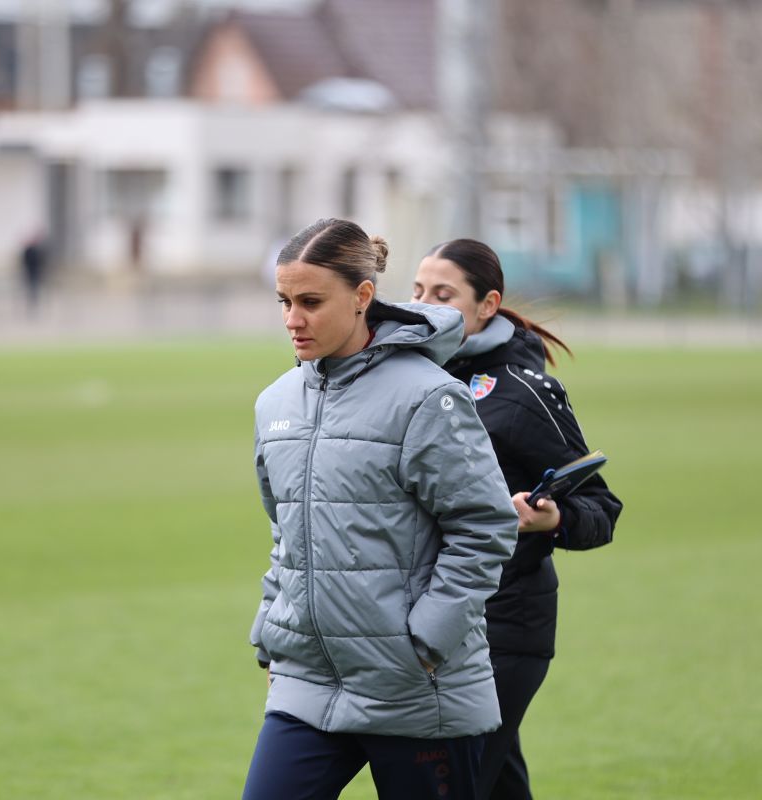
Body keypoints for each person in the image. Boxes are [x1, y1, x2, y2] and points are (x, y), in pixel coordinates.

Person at [244, 219, 520, 800]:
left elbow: (485, 525)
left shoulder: (427, 396)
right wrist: (272, 630)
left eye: (311, 302)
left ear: (362, 296)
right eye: (285, 302)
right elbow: (286, 532)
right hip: (307, 683)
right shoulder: (275, 404)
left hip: (415, 688)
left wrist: (426, 641)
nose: (293, 319)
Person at [413, 239, 623, 800]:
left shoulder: (525, 391)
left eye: (444, 295)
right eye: (418, 291)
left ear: (487, 305)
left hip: (504, 626)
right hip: (436, 619)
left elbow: (600, 508)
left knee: (450, 785)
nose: (425, 305)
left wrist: (550, 520)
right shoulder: (411, 376)